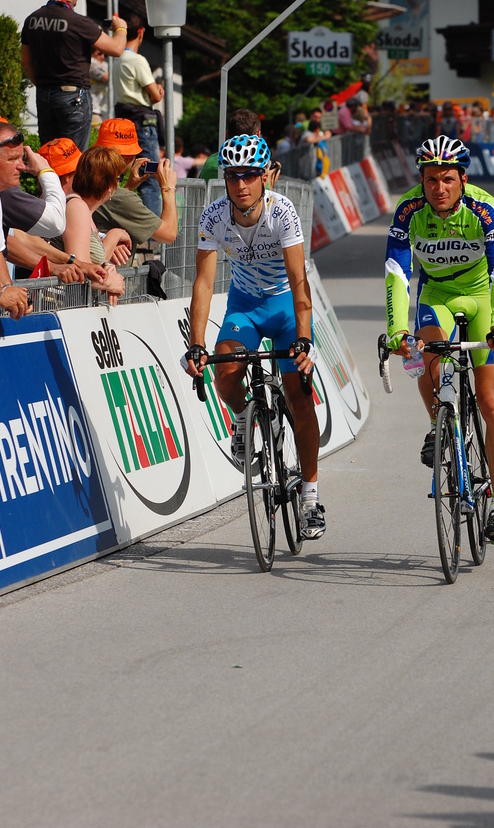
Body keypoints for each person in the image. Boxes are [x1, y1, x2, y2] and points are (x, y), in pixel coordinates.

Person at [185, 134, 324, 539]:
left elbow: (299, 281)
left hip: (284, 307)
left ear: (264, 177)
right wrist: (196, 343)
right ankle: (244, 417)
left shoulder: (282, 212)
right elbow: (205, 284)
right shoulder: (213, 217)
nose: (240, 185)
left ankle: (312, 498)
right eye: (232, 177)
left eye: (249, 176)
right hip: (245, 305)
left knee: (299, 395)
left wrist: (302, 338)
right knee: (225, 370)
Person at [384, 134, 494, 544]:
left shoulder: (483, 208)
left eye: (447, 180)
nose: (438, 189)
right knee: (426, 353)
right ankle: (436, 424)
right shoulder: (408, 211)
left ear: (462, 179)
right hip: (436, 294)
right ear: (421, 181)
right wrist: (396, 330)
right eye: (430, 180)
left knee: (491, 399)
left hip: (481, 296)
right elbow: (396, 272)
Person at [21, 0, 128, 151]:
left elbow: (26, 61)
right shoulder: (79, 22)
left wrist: (44, 85)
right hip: (73, 97)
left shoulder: (32, 20)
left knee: (50, 156)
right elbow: (117, 49)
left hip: (44, 95)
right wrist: (121, 28)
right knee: (74, 159)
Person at [43, 142, 128, 304]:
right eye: (119, 178)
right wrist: (109, 282)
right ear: (110, 185)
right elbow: (80, 269)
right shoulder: (77, 207)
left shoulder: (84, 209)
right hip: (61, 305)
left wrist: (108, 269)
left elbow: (89, 261)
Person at [92, 119, 178, 251]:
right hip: (112, 270)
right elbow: (169, 235)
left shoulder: (90, 183)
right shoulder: (122, 198)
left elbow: (113, 206)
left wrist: (128, 186)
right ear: (128, 157)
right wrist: (168, 189)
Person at [113, 14, 165, 216]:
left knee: (126, 174)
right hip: (143, 123)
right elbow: (154, 95)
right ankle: (152, 233)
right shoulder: (137, 60)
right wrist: (157, 92)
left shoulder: (116, 59)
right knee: (149, 175)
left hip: (124, 122)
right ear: (141, 32)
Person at [0, 124, 33, 319]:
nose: (22, 166)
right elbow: (55, 223)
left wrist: (9, 292)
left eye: (21, 158)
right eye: (12, 159)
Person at [198, 109, 262, 182]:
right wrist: (270, 178)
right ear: (258, 135)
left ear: (227, 134)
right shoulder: (259, 163)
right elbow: (266, 193)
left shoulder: (212, 162)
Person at [89, 48, 109, 126]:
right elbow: (107, 78)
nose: (103, 57)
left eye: (105, 55)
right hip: (94, 107)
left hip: (102, 107)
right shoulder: (92, 63)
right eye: (99, 54)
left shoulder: (104, 64)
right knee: (100, 132)